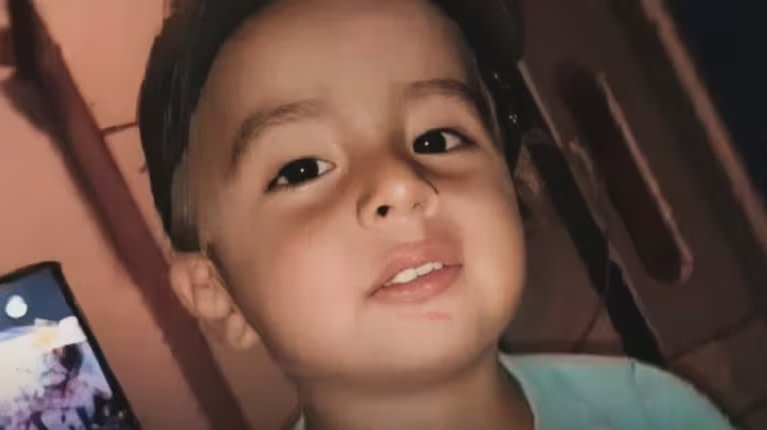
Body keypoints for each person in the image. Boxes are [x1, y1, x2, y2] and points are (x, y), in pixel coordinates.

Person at [138, 0, 737, 428]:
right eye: (301, 170)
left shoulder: (655, 412)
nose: (401, 184)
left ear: (513, 182)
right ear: (217, 293)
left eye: (437, 138)